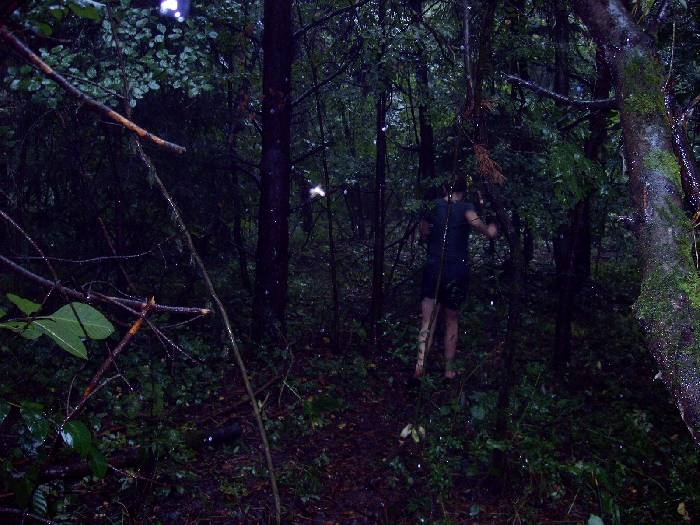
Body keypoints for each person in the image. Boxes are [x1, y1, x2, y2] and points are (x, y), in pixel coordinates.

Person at [415, 176, 497, 379]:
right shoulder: (466, 208)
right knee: (451, 319)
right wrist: (493, 221)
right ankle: (449, 371)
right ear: (465, 190)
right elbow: (487, 231)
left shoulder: (434, 206)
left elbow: (423, 231)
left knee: (427, 320)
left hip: (434, 267)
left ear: (445, 187)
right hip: (455, 270)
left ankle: (420, 367)